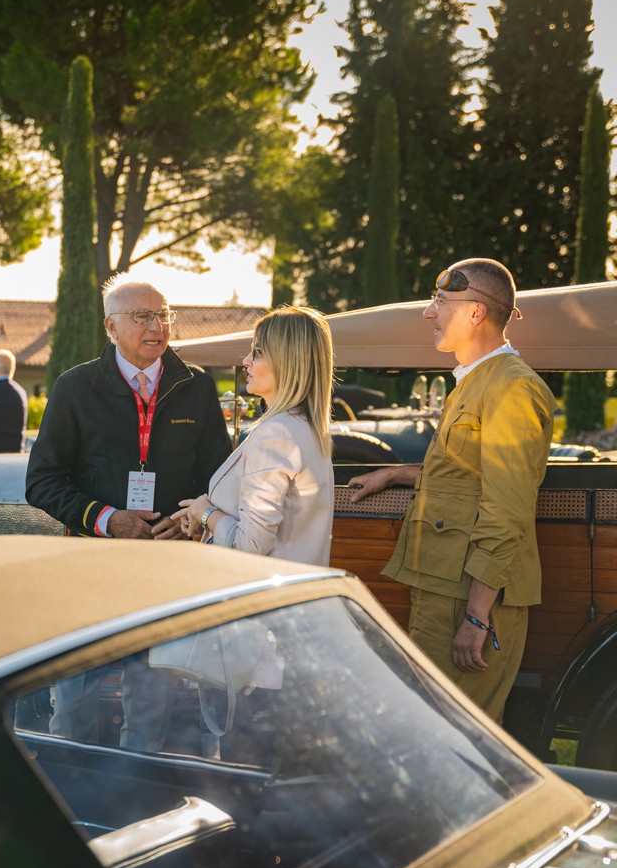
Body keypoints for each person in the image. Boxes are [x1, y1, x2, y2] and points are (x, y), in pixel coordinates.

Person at [26, 277, 231, 749]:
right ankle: (70, 795)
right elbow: (41, 481)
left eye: (163, 315)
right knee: (76, 694)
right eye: (142, 316)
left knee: (153, 696)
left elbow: (218, 480)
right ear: (111, 327)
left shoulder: (197, 386)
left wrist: (189, 521)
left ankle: (136, 790)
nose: (156, 326)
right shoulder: (75, 387)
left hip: (168, 565)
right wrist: (107, 519)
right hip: (91, 564)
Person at [350, 258, 556, 724]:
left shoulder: (510, 389)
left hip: (470, 598)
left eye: (440, 301)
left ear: (476, 313)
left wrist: (478, 617)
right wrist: (400, 473)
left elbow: (507, 509)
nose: (429, 313)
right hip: (448, 589)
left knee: (454, 738)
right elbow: (469, 475)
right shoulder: (477, 382)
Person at [174, 305, 335, 567]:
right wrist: (204, 512)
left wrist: (205, 512)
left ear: (288, 361)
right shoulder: (305, 427)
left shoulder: (277, 433)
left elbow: (249, 545)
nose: (246, 360)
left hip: (264, 590)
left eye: (258, 352)